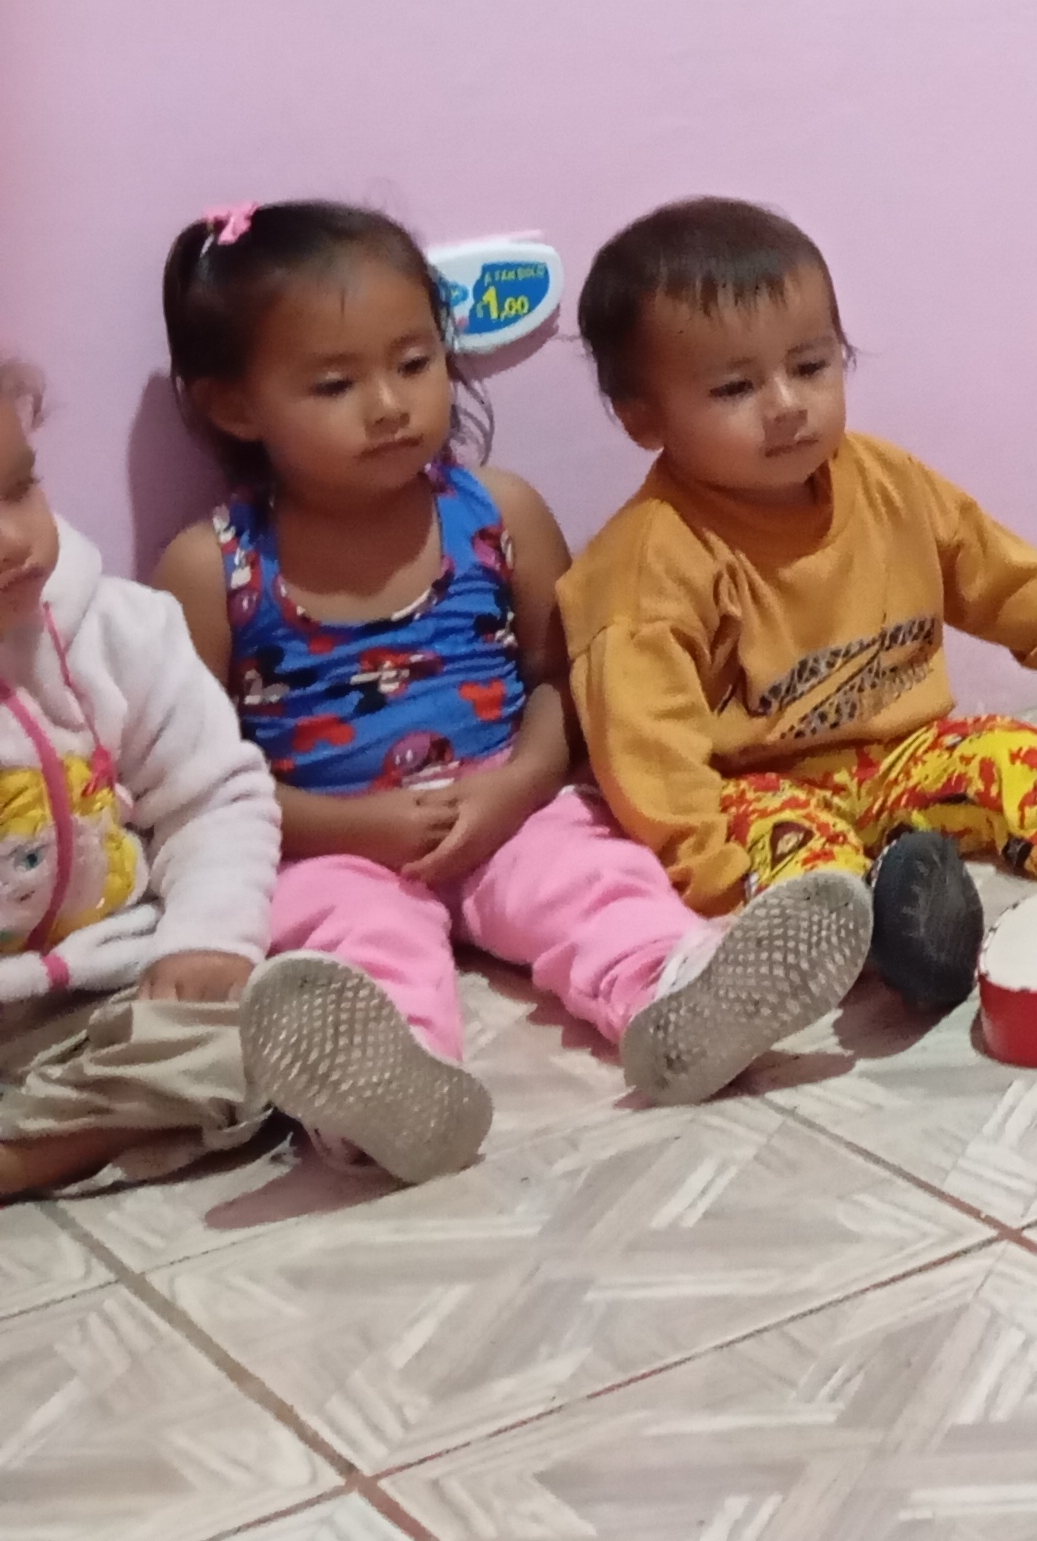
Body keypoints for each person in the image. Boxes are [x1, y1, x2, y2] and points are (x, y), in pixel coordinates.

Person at [151, 206, 870, 1184]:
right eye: (335, 384)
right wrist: (346, 827)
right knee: (348, 940)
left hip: (510, 808)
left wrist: (521, 782)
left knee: (594, 877)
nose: (389, 405)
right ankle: (385, 1093)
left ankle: (680, 991)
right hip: (329, 845)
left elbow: (562, 682)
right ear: (236, 407)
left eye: (415, 363)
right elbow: (197, 780)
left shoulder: (499, 512)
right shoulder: (212, 569)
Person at [561, 200, 1037, 1016]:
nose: (786, 404)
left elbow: (1001, 574)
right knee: (803, 858)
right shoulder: (649, 564)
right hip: (758, 786)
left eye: (811, 366)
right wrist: (712, 877)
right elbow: (648, 750)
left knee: (1005, 749)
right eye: (736, 386)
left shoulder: (886, 482)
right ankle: (892, 932)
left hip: (904, 753)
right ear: (643, 418)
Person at [0, 360, 280, 1199]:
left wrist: (206, 936)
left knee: (254, 1032)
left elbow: (214, 799)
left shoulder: (122, 630)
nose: (13, 539)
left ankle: (41, 1148)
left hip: (102, 990)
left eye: (18, 488)